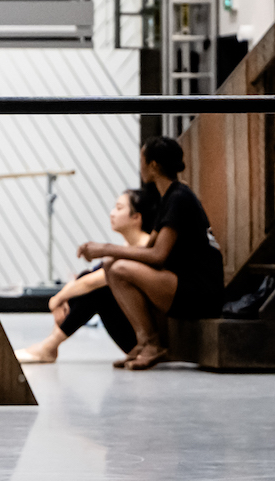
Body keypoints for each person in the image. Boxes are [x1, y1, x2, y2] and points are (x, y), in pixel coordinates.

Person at [76, 137, 225, 370]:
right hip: (182, 283)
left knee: (120, 267)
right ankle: (144, 341)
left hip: (199, 291)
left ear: (153, 165)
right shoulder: (169, 196)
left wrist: (105, 248)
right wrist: (107, 253)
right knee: (112, 265)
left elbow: (158, 256)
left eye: (142, 161)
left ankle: (153, 344)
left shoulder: (179, 198)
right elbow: (148, 247)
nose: (140, 167)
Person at [14, 187, 156, 363]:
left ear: (136, 217)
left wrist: (57, 299)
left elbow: (93, 283)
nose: (112, 213)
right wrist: (66, 295)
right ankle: (49, 346)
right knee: (85, 279)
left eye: (119, 208)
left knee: (98, 291)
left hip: (146, 339)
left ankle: (49, 347)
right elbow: (87, 278)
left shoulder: (144, 248)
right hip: (132, 334)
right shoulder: (127, 246)